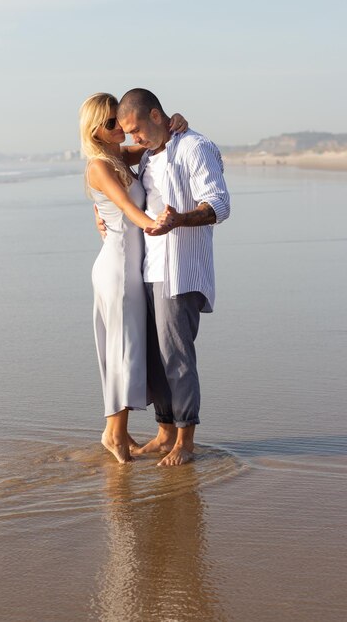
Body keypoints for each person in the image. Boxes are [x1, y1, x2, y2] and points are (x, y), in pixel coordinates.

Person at [113, 88, 231, 466]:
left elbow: (219, 204)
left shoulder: (195, 147)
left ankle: (186, 440)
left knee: (177, 357)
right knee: (156, 358)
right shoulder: (148, 154)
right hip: (149, 268)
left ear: (157, 115)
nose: (135, 138)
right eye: (128, 133)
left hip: (181, 271)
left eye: (137, 129)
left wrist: (179, 219)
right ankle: (165, 433)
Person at [79, 92, 187, 464]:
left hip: (132, 268)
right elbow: (126, 208)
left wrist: (176, 121)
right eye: (111, 124)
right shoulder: (99, 166)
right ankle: (114, 433)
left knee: (129, 350)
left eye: (119, 121)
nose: (120, 128)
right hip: (116, 269)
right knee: (120, 351)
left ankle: (117, 431)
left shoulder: (121, 158)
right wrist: (153, 224)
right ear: (95, 131)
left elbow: (156, 141)